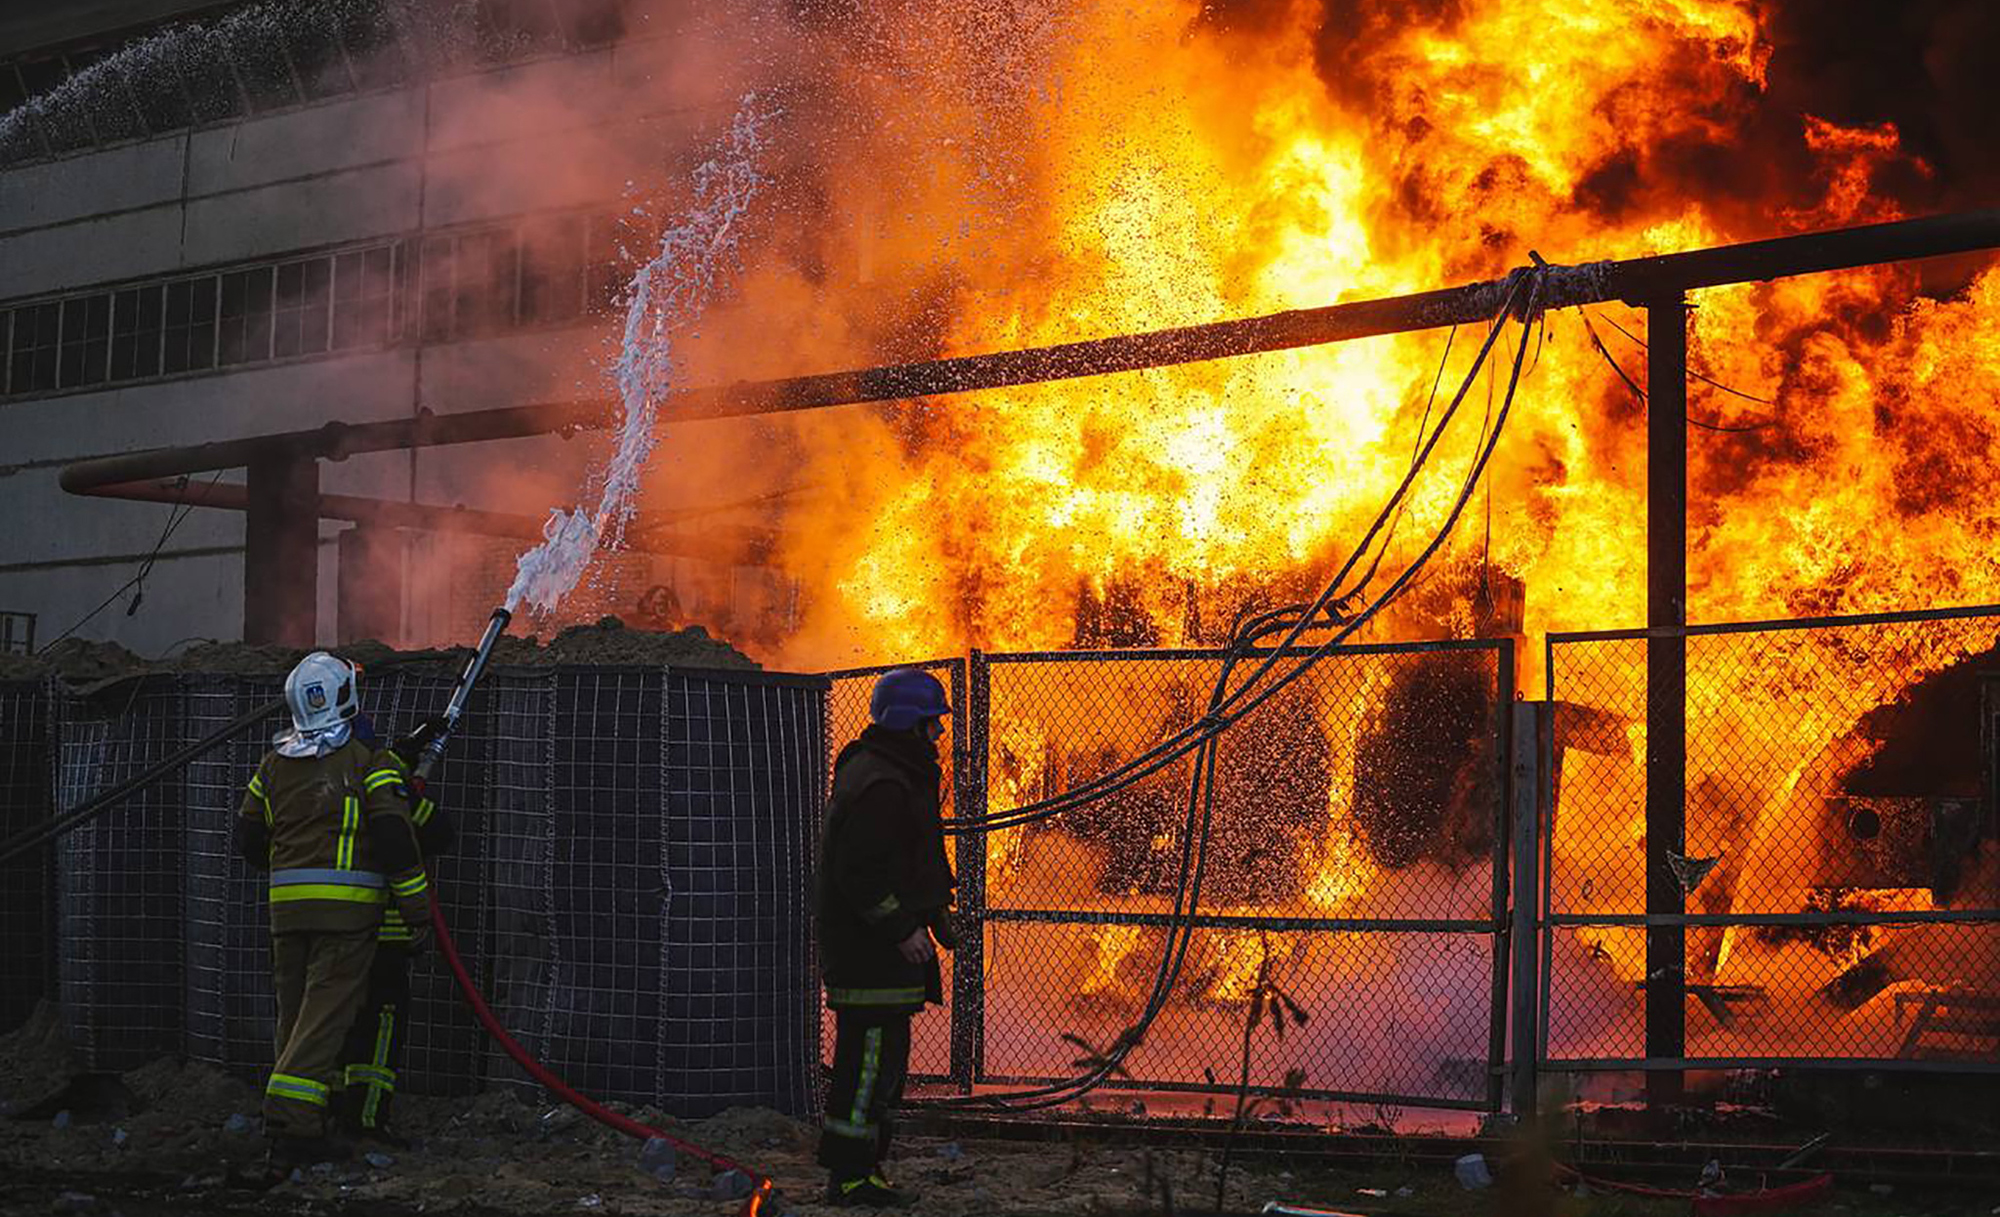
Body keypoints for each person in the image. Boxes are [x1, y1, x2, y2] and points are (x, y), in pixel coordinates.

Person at [234, 653, 432, 1174]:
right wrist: (417, 910)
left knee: (296, 1020)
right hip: (346, 920)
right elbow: (394, 838)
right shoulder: (368, 762)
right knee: (323, 1021)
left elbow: (248, 839)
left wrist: (294, 864)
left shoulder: (272, 765)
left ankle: (309, 1117)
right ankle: (291, 1121)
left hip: (286, 915)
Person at [816, 668, 957, 1209]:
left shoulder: (895, 773)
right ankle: (850, 1176)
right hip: (870, 955)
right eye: (933, 723)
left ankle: (865, 1169)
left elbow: (910, 859)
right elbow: (859, 873)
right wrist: (902, 928)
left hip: (879, 954)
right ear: (910, 722)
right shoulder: (883, 783)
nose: (939, 734)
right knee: (867, 1067)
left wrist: (936, 915)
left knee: (882, 1068)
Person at [335, 714, 453, 1147]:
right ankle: (366, 1122)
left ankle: (324, 1114)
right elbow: (435, 834)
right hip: (380, 934)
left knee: (330, 1023)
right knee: (380, 1026)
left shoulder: (311, 782)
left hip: (327, 933)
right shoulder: (384, 787)